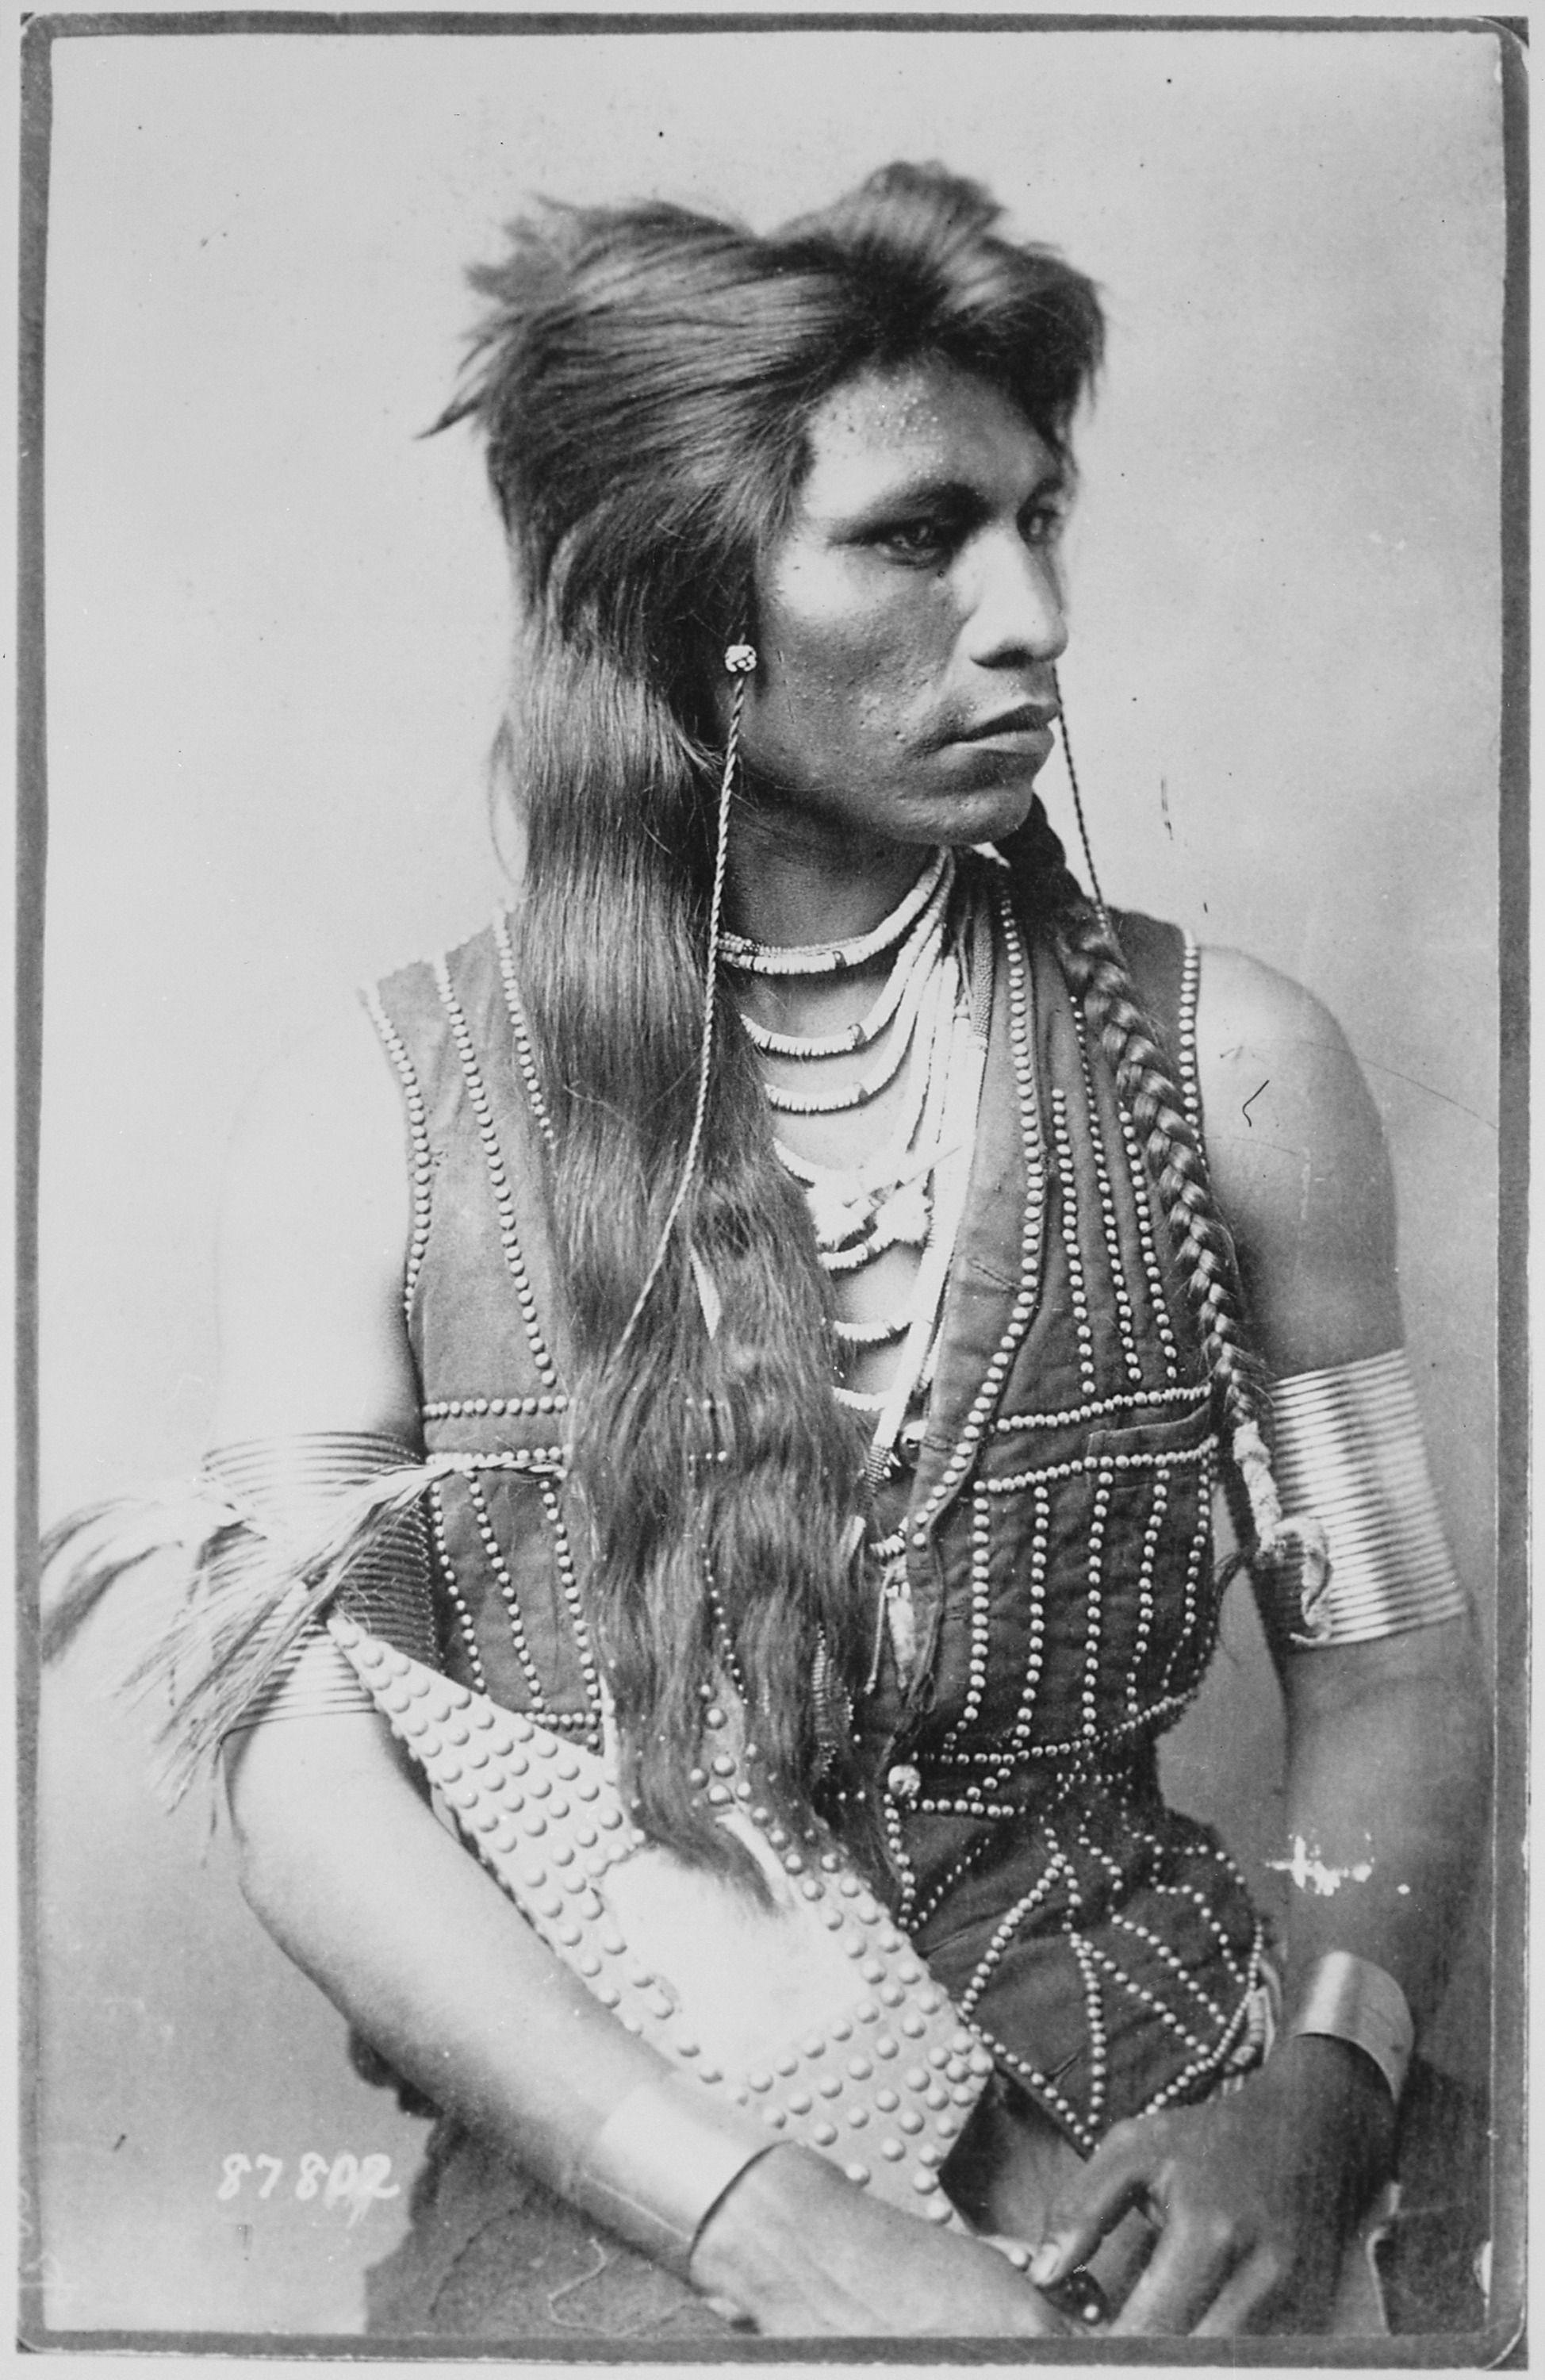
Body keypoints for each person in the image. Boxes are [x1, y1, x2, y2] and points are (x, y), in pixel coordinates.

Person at [48, 162, 1489, 2343]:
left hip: (1181, 2122)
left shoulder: (1238, 1069)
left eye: (1034, 521)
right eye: (915, 537)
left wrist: (1323, 2084)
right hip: (629, 2162)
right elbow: (307, 1774)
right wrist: (757, 2221)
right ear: (684, 605)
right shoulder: (372, 1118)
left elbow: (1382, 1659)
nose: (1026, 615)